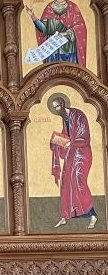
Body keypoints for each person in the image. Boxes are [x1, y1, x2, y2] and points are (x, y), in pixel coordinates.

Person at [48, 94, 97, 230]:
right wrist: (57, 141)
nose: (57, 110)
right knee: (66, 182)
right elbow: (66, 136)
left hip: (82, 154)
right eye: (55, 108)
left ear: (63, 104)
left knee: (79, 180)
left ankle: (92, 215)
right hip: (71, 155)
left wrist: (70, 143)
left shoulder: (78, 115)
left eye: (58, 106)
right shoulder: (65, 119)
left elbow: (84, 136)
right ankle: (65, 216)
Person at [24, 0, 87, 65]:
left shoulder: (73, 7)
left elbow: (81, 27)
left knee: (70, 71)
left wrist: (66, 33)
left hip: (69, 50)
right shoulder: (49, 8)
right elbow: (43, 28)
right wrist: (32, 16)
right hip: (53, 51)